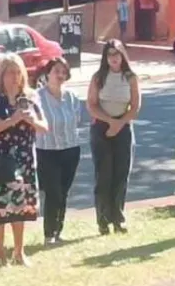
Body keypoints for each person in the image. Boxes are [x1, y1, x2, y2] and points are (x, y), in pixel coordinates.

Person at [0, 53, 47, 266]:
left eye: (18, 72)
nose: (15, 77)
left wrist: (32, 120)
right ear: (1, 75)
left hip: (24, 159)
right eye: (10, 73)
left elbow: (45, 127)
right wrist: (11, 120)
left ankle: (19, 251)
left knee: (20, 207)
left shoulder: (31, 96)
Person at [87, 39, 141, 235]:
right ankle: (103, 220)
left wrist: (119, 124)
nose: (113, 58)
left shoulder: (131, 77)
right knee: (104, 175)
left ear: (122, 55)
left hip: (123, 126)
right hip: (102, 127)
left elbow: (135, 107)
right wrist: (109, 122)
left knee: (120, 174)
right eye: (109, 55)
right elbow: (91, 105)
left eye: (116, 53)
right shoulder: (98, 77)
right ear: (105, 58)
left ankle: (118, 218)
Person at [35, 57, 82, 245]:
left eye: (63, 72)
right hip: (47, 150)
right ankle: (49, 234)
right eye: (56, 71)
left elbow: (76, 120)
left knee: (63, 192)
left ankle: (58, 230)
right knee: (53, 192)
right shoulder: (37, 97)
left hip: (70, 149)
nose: (60, 75)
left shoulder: (71, 97)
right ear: (47, 74)